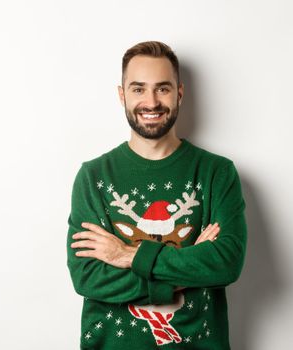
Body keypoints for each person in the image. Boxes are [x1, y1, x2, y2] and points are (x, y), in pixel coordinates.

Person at [67, 41, 247, 349]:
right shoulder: (93, 176)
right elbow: (89, 277)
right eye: (138, 89)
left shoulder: (217, 172)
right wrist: (188, 268)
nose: (151, 102)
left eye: (162, 89)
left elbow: (226, 262)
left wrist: (126, 255)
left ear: (179, 93)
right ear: (122, 95)